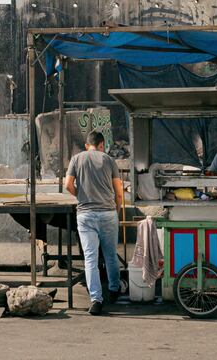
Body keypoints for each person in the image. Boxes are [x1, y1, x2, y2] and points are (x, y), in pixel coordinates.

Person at [64, 130, 123, 315]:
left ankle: (96, 299)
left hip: (85, 215)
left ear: (86, 145)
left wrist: (80, 196)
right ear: (101, 145)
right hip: (107, 214)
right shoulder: (108, 160)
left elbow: (68, 185)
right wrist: (117, 209)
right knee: (110, 255)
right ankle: (114, 289)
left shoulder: (76, 159)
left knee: (90, 259)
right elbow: (119, 191)